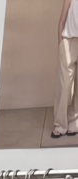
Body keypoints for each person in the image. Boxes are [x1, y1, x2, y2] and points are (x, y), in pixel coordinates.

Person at [54, 0, 78, 138]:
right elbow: (61, 20)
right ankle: (60, 124)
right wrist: (61, 45)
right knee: (64, 85)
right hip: (69, 41)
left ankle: (75, 122)